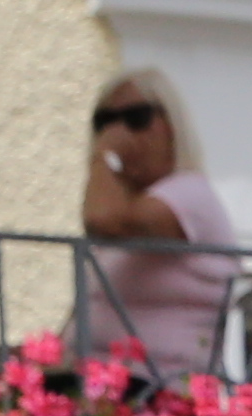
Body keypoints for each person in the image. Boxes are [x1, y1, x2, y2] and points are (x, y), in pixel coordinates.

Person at [70, 67, 228, 387]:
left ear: (171, 125)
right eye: (105, 123)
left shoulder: (189, 192)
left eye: (136, 118)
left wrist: (103, 155)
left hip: (156, 388)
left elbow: (104, 222)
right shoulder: (129, 210)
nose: (119, 134)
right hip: (104, 385)